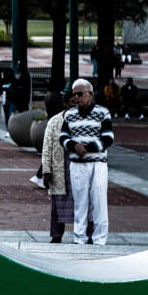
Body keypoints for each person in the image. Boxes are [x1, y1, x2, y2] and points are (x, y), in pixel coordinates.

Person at [59, 79, 113, 245]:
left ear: (90, 94)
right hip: (77, 164)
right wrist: (74, 146)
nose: (76, 97)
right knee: (80, 202)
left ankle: (99, 239)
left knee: (99, 200)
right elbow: (63, 137)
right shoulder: (69, 115)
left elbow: (108, 138)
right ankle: (79, 237)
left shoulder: (103, 113)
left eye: (80, 94)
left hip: (98, 163)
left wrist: (87, 148)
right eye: (74, 94)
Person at [34, 91, 71, 242]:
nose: (75, 106)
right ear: (65, 103)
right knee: (58, 205)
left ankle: (85, 235)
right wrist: (46, 171)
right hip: (59, 169)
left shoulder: (84, 121)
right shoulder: (54, 121)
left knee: (83, 204)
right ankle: (56, 235)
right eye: (72, 103)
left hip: (79, 169)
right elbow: (46, 148)